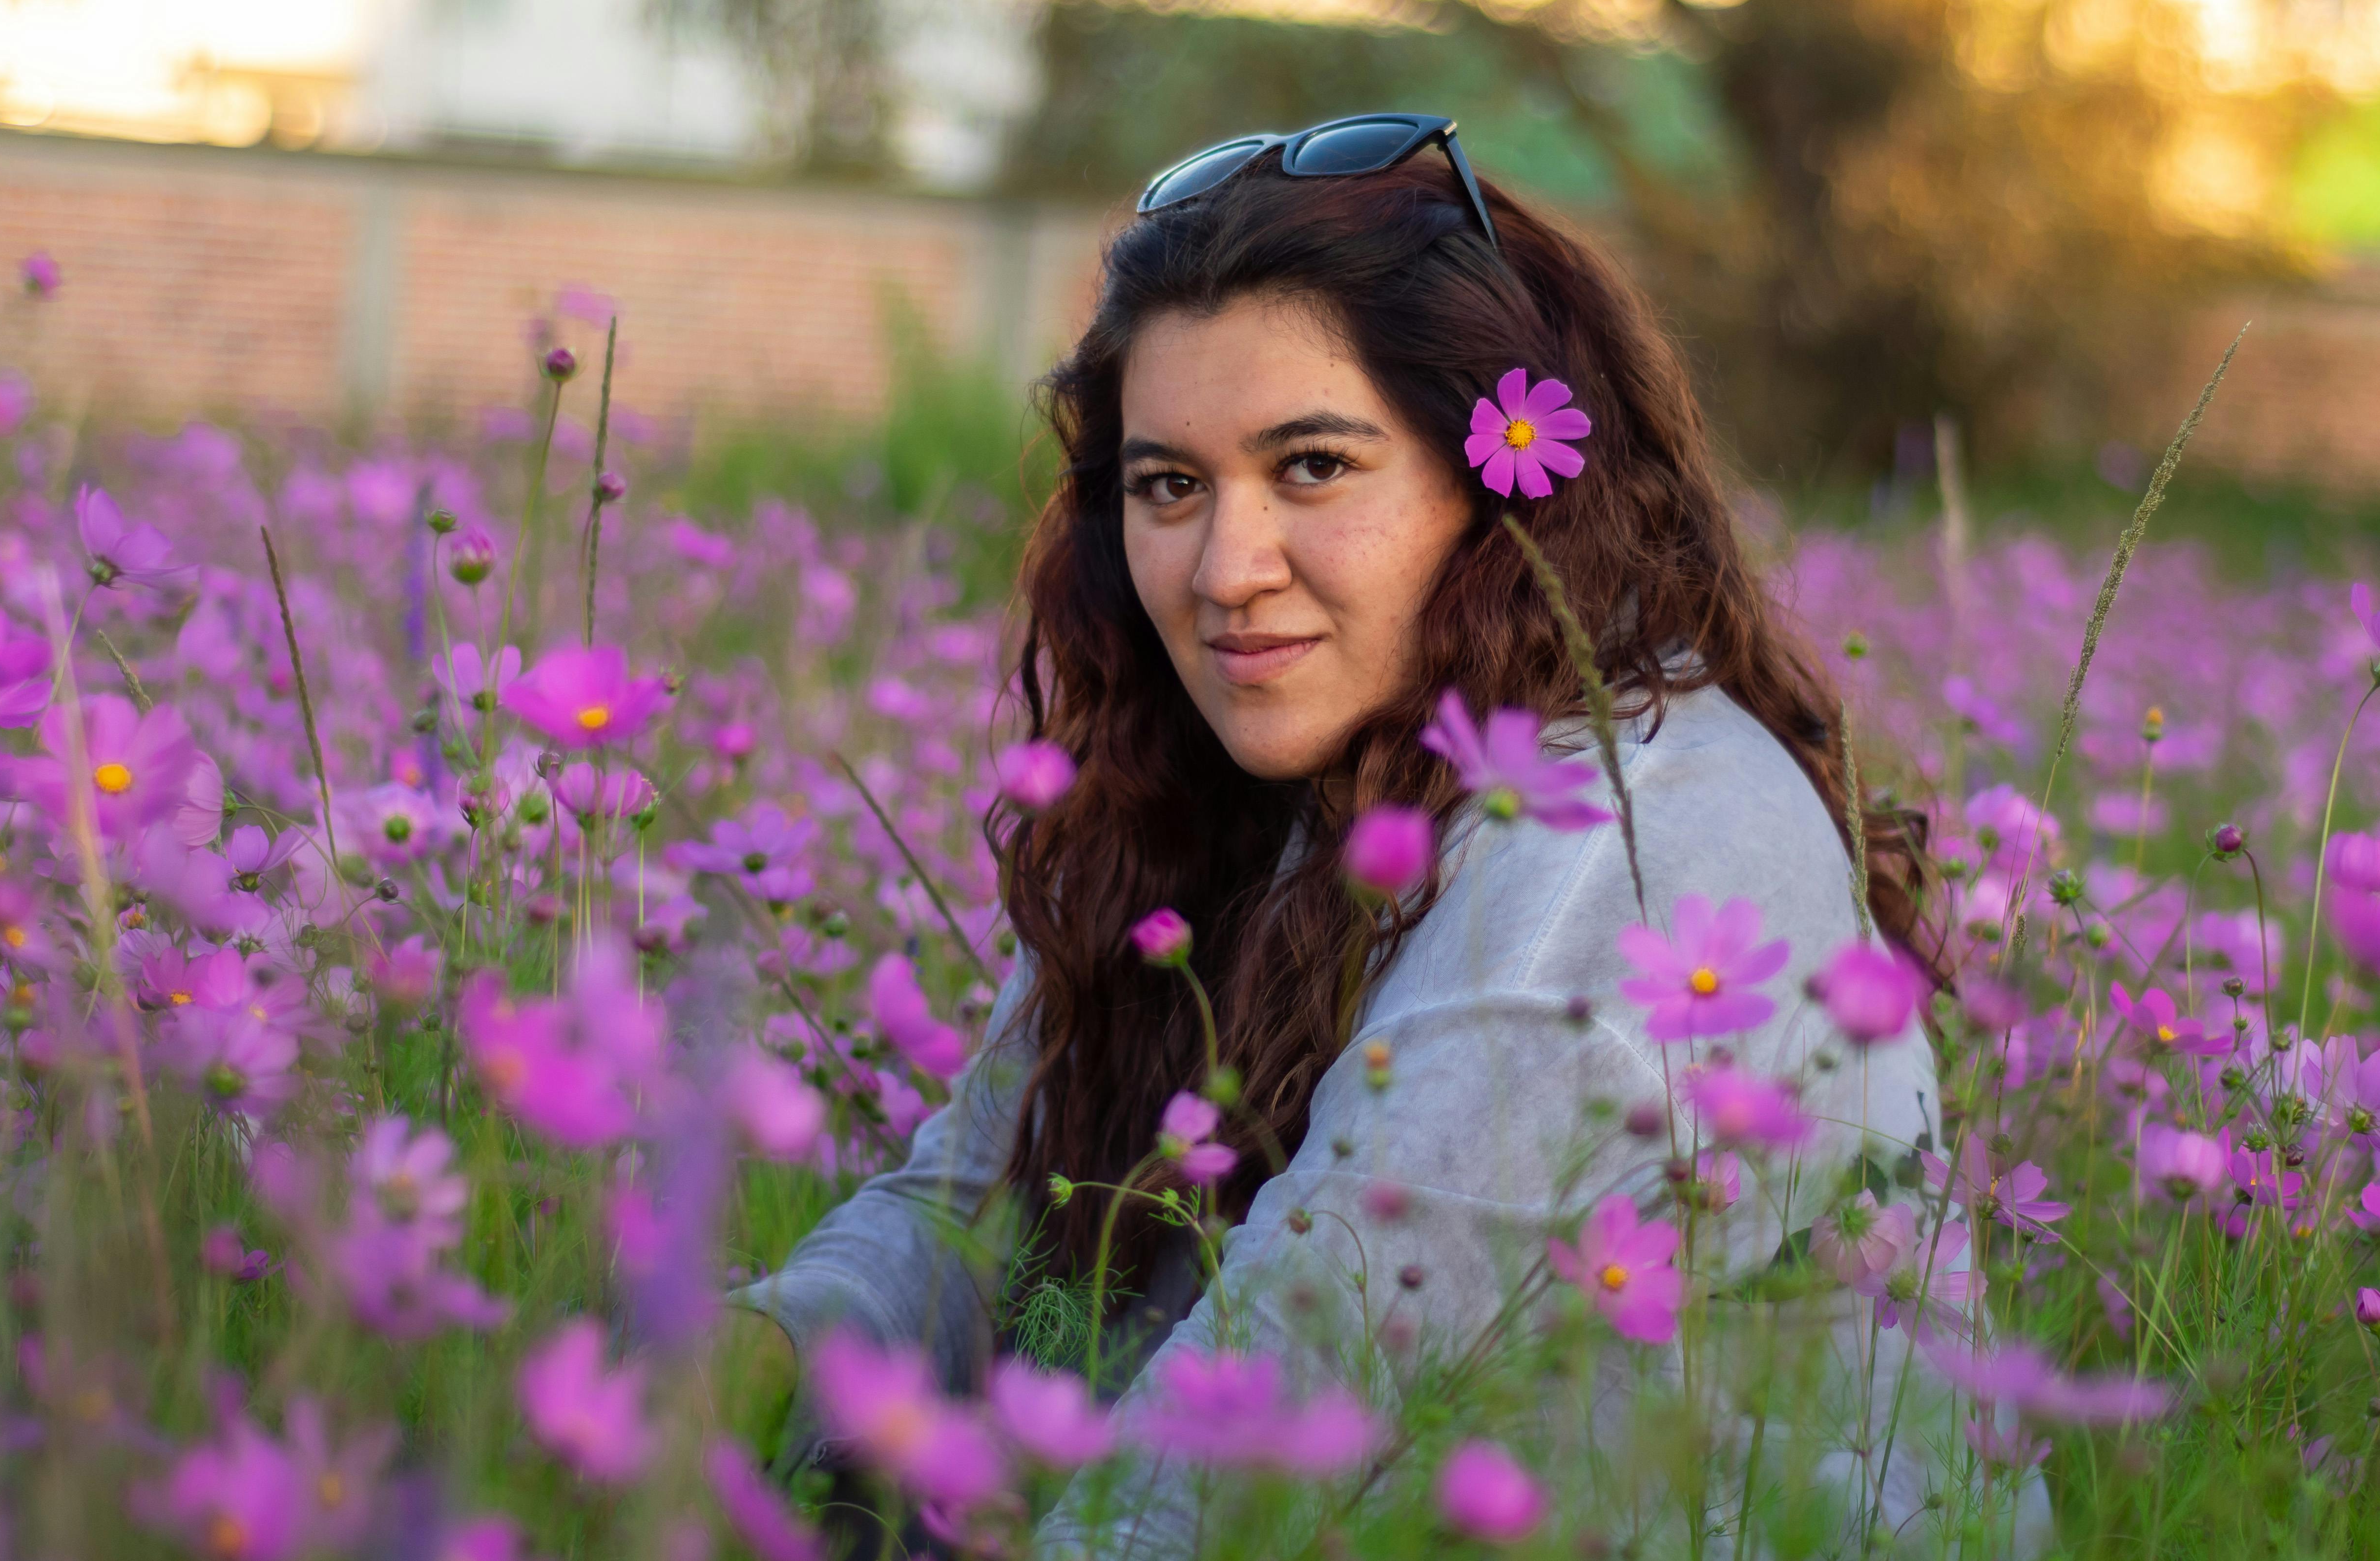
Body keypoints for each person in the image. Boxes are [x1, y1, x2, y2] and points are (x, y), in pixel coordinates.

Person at [717, 114, 2007, 1551]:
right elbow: (979, 1199)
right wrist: (728, 1379)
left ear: (1505, 477)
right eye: (1169, 486)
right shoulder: (1258, 768)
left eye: (1315, 468)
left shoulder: (1623, 834)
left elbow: (1282, 1384)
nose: (1227, 571)